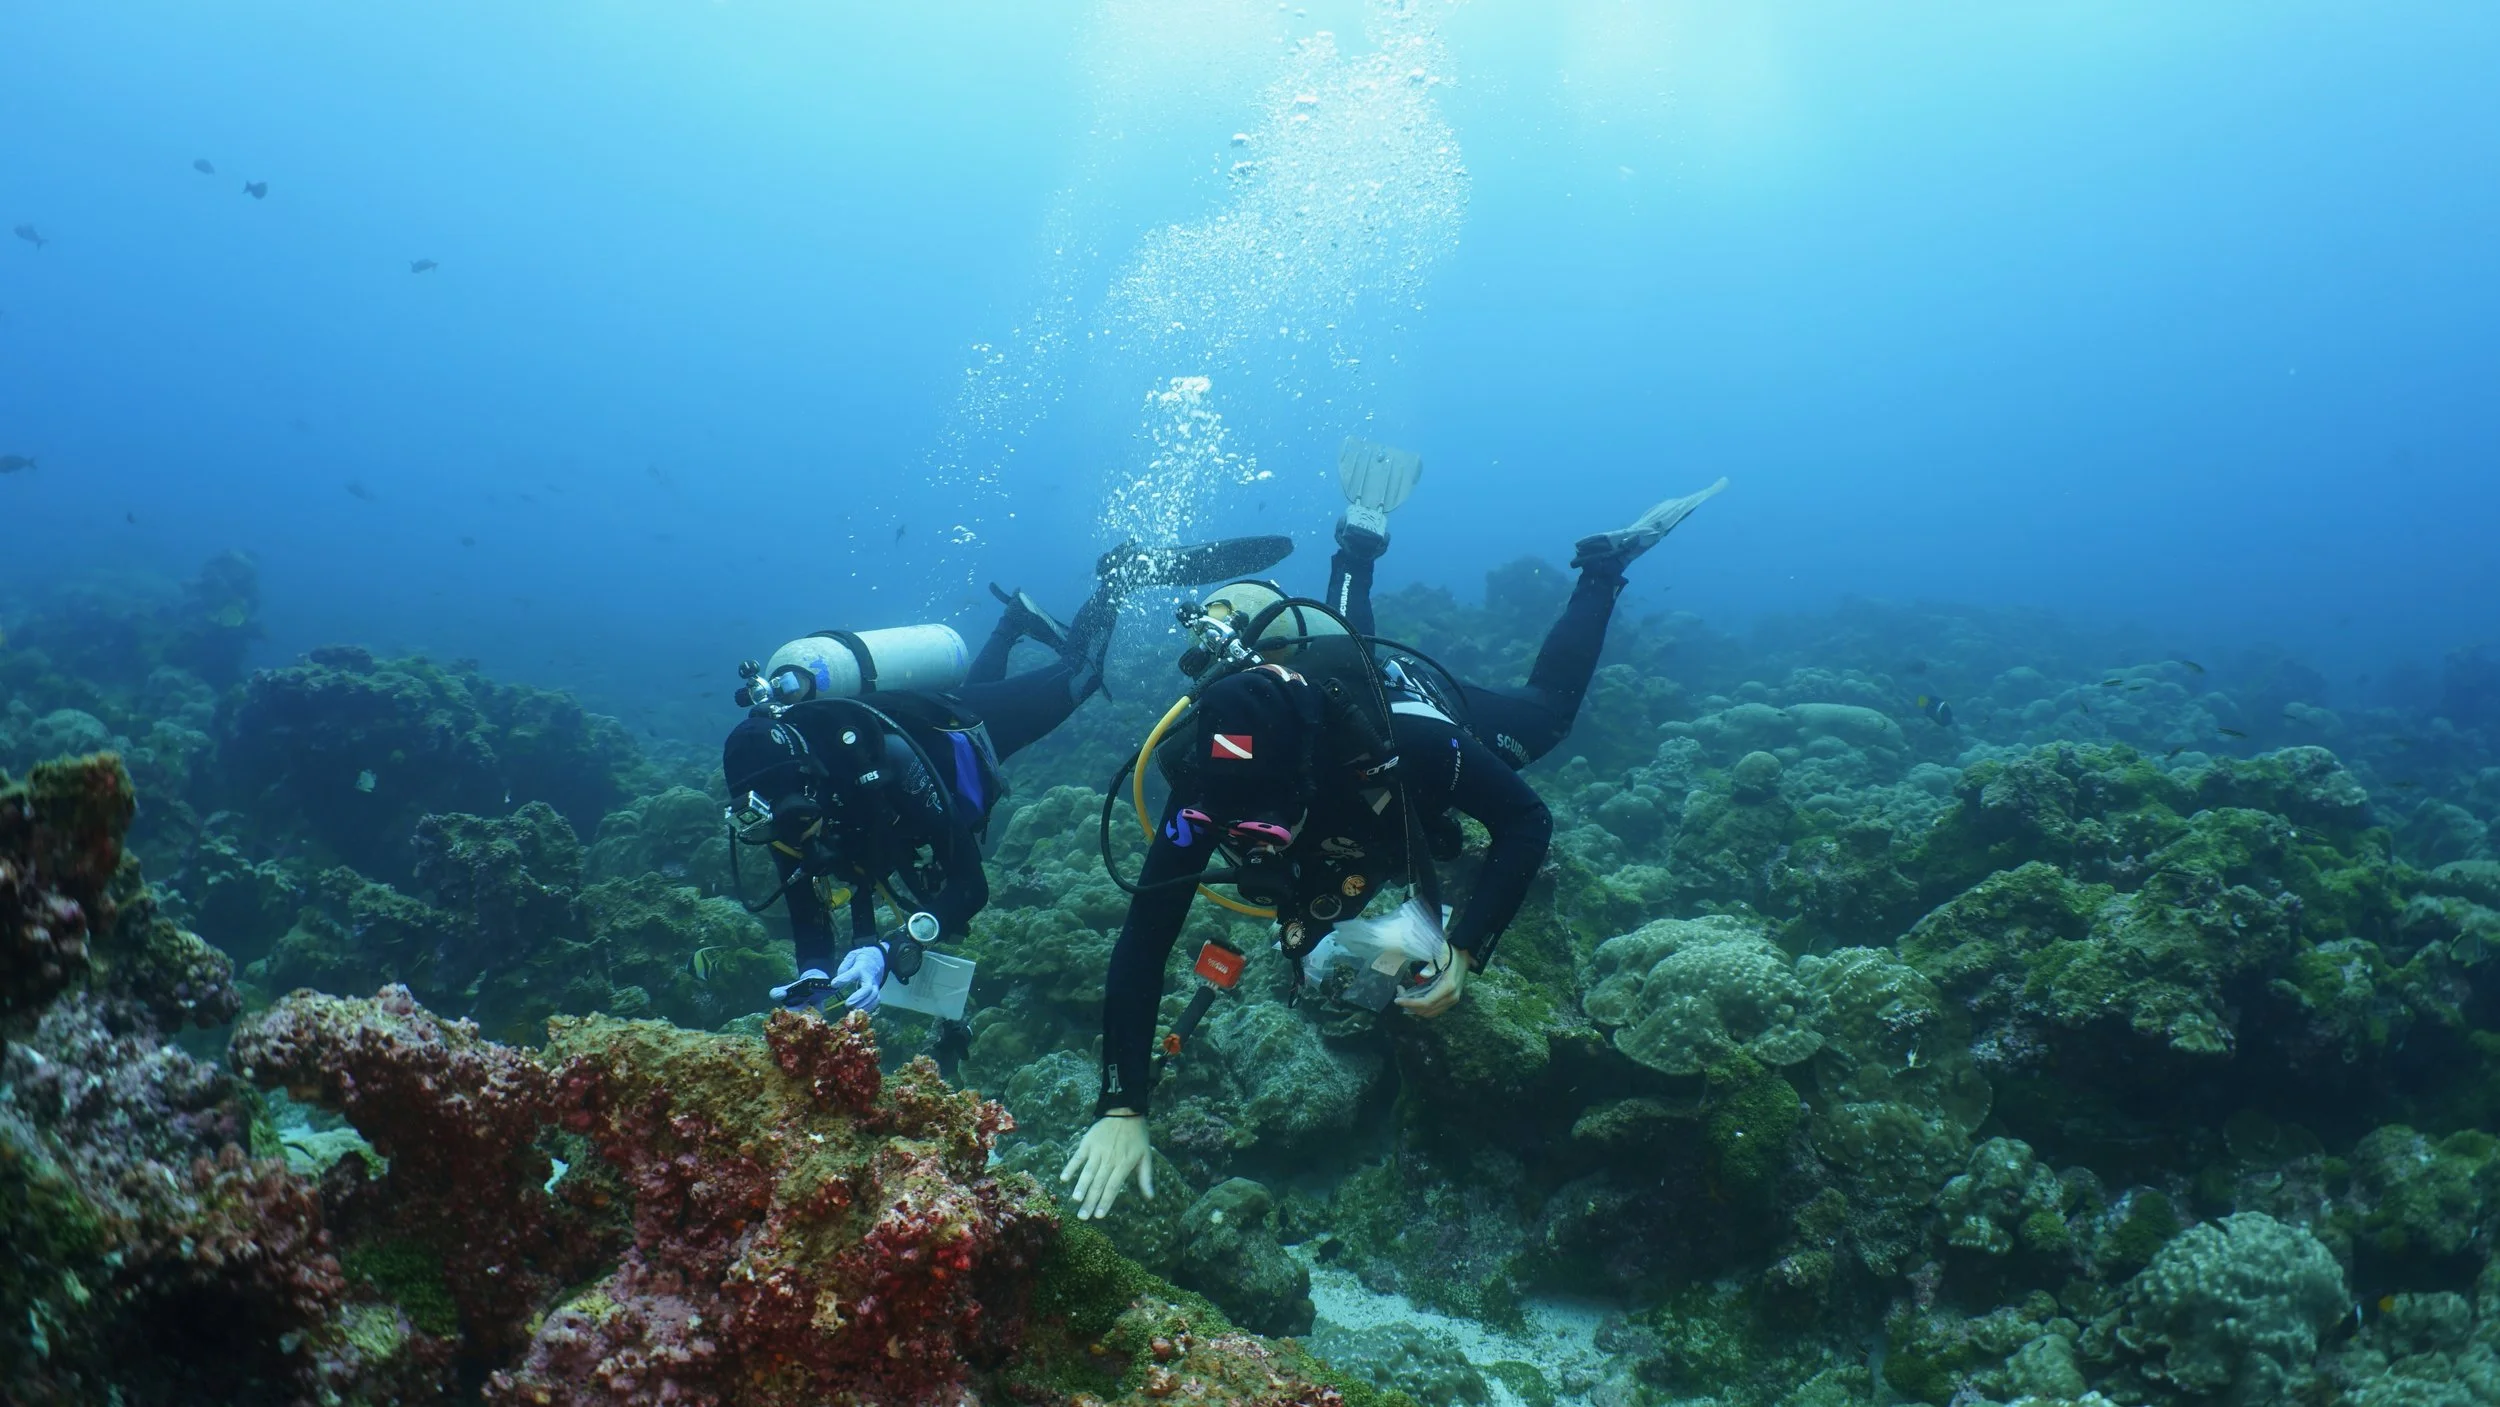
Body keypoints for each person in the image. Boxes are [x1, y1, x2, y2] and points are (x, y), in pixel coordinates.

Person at [1061, 444, 1725, 1220]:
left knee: (1544, 714)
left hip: (1415, 709)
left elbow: (1524, 820)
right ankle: (1358, 543)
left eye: (1269, 819)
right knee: (1354, 639)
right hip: (1328, 708)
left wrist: (1468, 947)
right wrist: (1121, 1106)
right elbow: (1144, 936)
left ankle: (1604, 567)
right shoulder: (1207, 779)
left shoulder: (1399, 748)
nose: (1251, 837)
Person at [721, 536, 1290, 1017]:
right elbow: (808, 911)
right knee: (958, 697)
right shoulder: (778, 809)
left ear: (812, 779)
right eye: (769, 824)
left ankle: (1118, 579)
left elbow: (970, 888)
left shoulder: (881, 762)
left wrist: (892, 946)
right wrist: (813, 979)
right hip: (939, 716)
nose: (794, 835)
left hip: (974, 732)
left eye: (797, 818)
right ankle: (1013, 621)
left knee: (1081, 672)